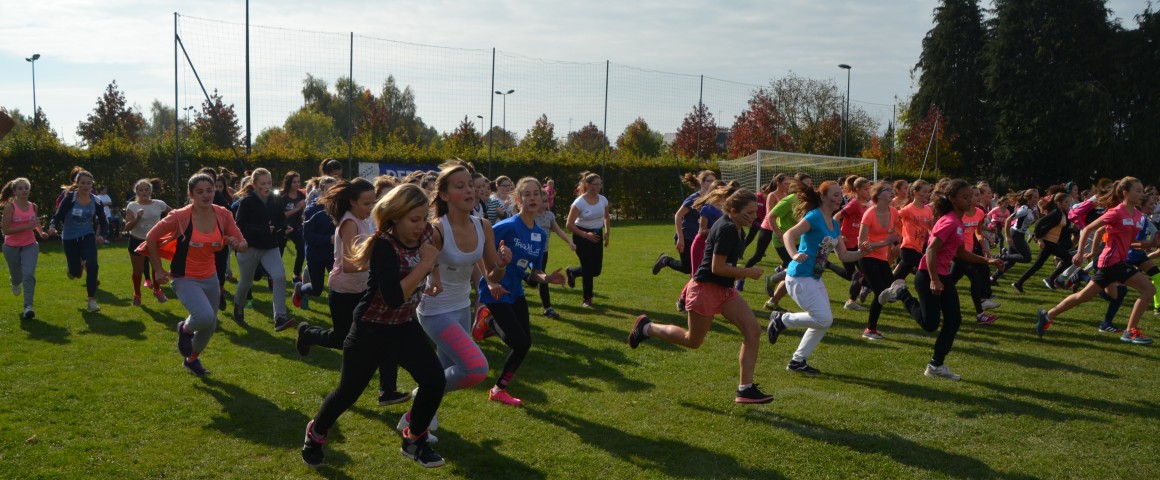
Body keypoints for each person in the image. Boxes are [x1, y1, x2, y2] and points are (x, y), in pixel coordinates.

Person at [301, 183, 447, 468]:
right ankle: (315, 433)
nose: (420, 226)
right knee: (349, 392)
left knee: (434, 381)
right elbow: (393, 297)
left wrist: (435, 274)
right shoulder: (383, 245)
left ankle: (414, 440)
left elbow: (433, 252)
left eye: (423, 218)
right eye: (413, 220)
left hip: (404, 324)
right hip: (372, 328)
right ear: (395, 216)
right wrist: (425, 266)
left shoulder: (426, 232)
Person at [628, 188, 773, 404]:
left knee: (752, 331)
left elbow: (723, 266)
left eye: (755, 212)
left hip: (724, 290)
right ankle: (646, 328)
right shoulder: (727, 229)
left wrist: (739, 273)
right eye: (749, 213)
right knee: (692, 340)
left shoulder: (737, 228)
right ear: (733, 211)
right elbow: (717, 267)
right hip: (705, 289)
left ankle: (745, 389)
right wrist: (747, 272)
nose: (754, 217)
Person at [413, 163, 511, 431]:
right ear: (444, 195)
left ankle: (418, 423)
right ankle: (419, 406)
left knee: (442, 375)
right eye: (460, 186)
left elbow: (492, 274)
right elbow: (426, 263)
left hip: (461, 308)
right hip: (434, 310)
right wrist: (434, 275)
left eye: (470, 185)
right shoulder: (436, 229)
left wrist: (501, 264)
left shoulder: (484, 225)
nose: (469, 190)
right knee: (475, 368)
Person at [879, 179, 1006, 380]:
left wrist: (987, 260)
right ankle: (901, 292)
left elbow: (960, 252)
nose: (970, 200)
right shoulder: (949, 221)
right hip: (928, 275)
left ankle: (935, 365)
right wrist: (933, 279)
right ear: (953, 199)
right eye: (965, 197)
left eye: (971, 196)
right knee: (930, 324)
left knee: (954, 321)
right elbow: (930, 250)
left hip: (942, 275)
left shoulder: (958, 222)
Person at [472, 177, 566, 407]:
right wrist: (489, 281)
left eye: (537, 194)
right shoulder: (507, 226)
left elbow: (534, 272)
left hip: (516, 292)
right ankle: (488, 321)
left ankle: (497, 390)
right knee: (521, 344)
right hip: (495, 291)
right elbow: (478, 253)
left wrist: (547, 278)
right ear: (518, 199)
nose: (533, 198)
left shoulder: (540, 235)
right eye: (527, 194)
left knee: (524, 344)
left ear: (543, 200)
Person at [146, 174, 248, 376]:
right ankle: (184, 328)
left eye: (209, 190)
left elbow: (243, 244)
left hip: (210, 276)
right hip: (184, 277)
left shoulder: (223, 214)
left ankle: (191, 360)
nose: (206, 195)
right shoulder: (180, 216)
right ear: (191, 194)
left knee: (209, 325)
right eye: (200, 192)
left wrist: (238, 244)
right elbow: (151, 237)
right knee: (204, 316)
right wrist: (158, 269)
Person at [766, 180, 868, 375]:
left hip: (814, 277)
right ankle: (782, 319)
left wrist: (862, 253)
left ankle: (797, 361)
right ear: (822, 196)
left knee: (822, 321)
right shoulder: (814, 216)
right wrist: (794, 254)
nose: (839, 199)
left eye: (840, 195)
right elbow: (788, 235)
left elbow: (844, 255)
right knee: (823, 318)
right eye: (835, 195)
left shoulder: (834, 225)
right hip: (799, 276)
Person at [1037, 177, 1155, 344]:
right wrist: (1080, 253)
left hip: (1115, 261)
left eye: (1142, 190)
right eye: (1138, 191)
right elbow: (1088, 230)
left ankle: (1048, 315)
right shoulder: (1116, 212)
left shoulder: (1137, 215)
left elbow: (1127, 241)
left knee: (1084, 296)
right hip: (1111, 261)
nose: (1141, 194)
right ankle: (1130, 331)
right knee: (1149, 289)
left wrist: (1146, 244)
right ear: (1125, 193)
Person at [232, 168, 292, 331]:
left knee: (279, 277)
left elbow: (281, 219)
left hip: (270, 247)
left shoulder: (275, 199)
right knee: (246, 282)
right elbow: (240, 226)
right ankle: (238, 304)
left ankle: (280, 317)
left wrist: (284, 227)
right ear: (254, 185)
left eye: (269, 183)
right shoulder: (247, 201)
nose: (267, 187)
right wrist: (263, 229)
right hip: (249, 247)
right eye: (263, 184)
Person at [50, 170, 108, 312]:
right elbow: (58, 216)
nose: (86, 186)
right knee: (75, 273)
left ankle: (92, 300)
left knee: (93, 265)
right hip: (69, 238)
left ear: (92, 185)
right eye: (83, 183)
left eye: (88, 183)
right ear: (77, 183)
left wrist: (102, 235)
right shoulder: (70, 198)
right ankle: (73, 269)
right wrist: (52, 226)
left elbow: (104, 221)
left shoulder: (96, 201)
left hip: (87, 235)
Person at [856, 181, 902, 339]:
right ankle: (870, 330)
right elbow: (861, 244)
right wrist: (885, 242)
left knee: (891, 291)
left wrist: (896, 241)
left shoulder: (894, 212)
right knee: (881, 292)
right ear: (879, 195)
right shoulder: (869, 214)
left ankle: (862, 281)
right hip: (867, 256)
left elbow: (896, 231)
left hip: (882, 257)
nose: (892, 192)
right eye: (888, 190)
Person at [2, 178, 48, 320]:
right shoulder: (10, 207)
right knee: (17, 277)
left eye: (26, 188)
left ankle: (28, 307)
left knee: (28, 275)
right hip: (11, 247)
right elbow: (5, 230)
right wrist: (27, 227)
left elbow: (35, 222)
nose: (24, 191)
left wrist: (41, 232)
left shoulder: (33, 206)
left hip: (30, 245)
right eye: (20, 188)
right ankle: (15, 282)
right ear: (15, 191)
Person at [653, 170, 716, 275]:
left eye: (714, 181)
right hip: (687, 237)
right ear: (702, 183)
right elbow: (678, 215)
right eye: (710, 181)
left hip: (700, 239)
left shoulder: (712, 200)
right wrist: (680, 238)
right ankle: (666, 260)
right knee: (687, 268)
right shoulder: (694, 198)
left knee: (699, 267)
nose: (713, 184)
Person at [565, 172, 611, 308]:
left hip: (597, 234)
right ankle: (587, 299)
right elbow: (569, 224)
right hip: (581, 236)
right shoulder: (579, 202)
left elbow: (606, 217)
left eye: (600, 185)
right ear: (588, 184)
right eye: (595, 184)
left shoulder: (603, 200)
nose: (598, 187)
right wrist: (585, 235)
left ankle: (573, 272)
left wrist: (607, 233)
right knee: (588, 268)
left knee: (596, 270)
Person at [1013, 193, 1075, 293]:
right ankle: (1050, 279)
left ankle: (1018, 283)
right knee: (1068, 259)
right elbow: (1039, 223)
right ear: (1058, 203)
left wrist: (1073, 230)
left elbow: (1062, 230)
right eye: (1066, 202)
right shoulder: (1056, 213)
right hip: (1048, 242)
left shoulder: (1062, 213)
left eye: (1069, 202)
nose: (1068, 204)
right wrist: (1039, 239)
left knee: (1037, 265)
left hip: (1051, 242)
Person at [293, 176, 338, 309]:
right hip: (316, 255)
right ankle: (300, 289)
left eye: (335, 190)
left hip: (333, 254)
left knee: (337, 285)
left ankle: (338, 311)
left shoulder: (339, 208)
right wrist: (328, 239)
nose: (332, 194)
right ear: (321, 191)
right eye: (328, 190)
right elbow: (307, 236)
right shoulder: (312, 210)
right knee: (317, 289)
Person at [125, 179, 171, 306]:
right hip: (136, 240)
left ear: (151, 190)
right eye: (140, 190)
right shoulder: (132, 206)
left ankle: (157, 290)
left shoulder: (159, 204)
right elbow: (127, 227)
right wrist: (137, 218)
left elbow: (173, 214)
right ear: (136, 192)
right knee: (138, 271)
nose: (144, 192)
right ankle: (137, 294)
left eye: (146, 189)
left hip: (153, 241)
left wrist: (165, 226)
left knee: (156, 267)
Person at [531, 187, 574, 319]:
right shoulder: (530, 215)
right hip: (528, 252)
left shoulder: (549, 216)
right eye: (543, 201)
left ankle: (547, 308)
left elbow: (559, 231)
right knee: (537, 279)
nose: (545, 204)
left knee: (539, 279)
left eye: (547, 201)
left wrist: (570, 242)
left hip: (543, 253)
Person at [833, 177, 871, 311]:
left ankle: (854, 299)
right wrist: (839, 235)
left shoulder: (865, 204)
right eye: (865, 189)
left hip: (857, 242)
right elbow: (836, 217)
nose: (868, 191)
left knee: (860, 274)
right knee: (858, 274)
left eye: (869, 189)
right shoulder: (854, 203)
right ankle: (851, 301)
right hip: (847, 243)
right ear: (858, 190)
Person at [893, 179, 932, 281]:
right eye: (924, 192)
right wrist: (898, 232)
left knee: (897, 277)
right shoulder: (908, 209)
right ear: (915, 192)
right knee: (927, 267)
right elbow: (894, 219)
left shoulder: (928, 210)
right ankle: (925, 288)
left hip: (919, 248)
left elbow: (930, 228)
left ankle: (867, 284)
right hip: (908, 248)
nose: (927, 194)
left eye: (928, 192)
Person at [279, 171, 308, 284]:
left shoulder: (301, 195)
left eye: (298, 181)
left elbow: (303, 212)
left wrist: (303, 212)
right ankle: (274, 276)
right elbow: (281, 215)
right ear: (288, 182)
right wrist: (297, 208)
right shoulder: (282, 196)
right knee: (279, 252)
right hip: (283, 227)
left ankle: (296, 274)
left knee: (301, 249)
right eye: (294, 182)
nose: (297, 184)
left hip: (296, 227)